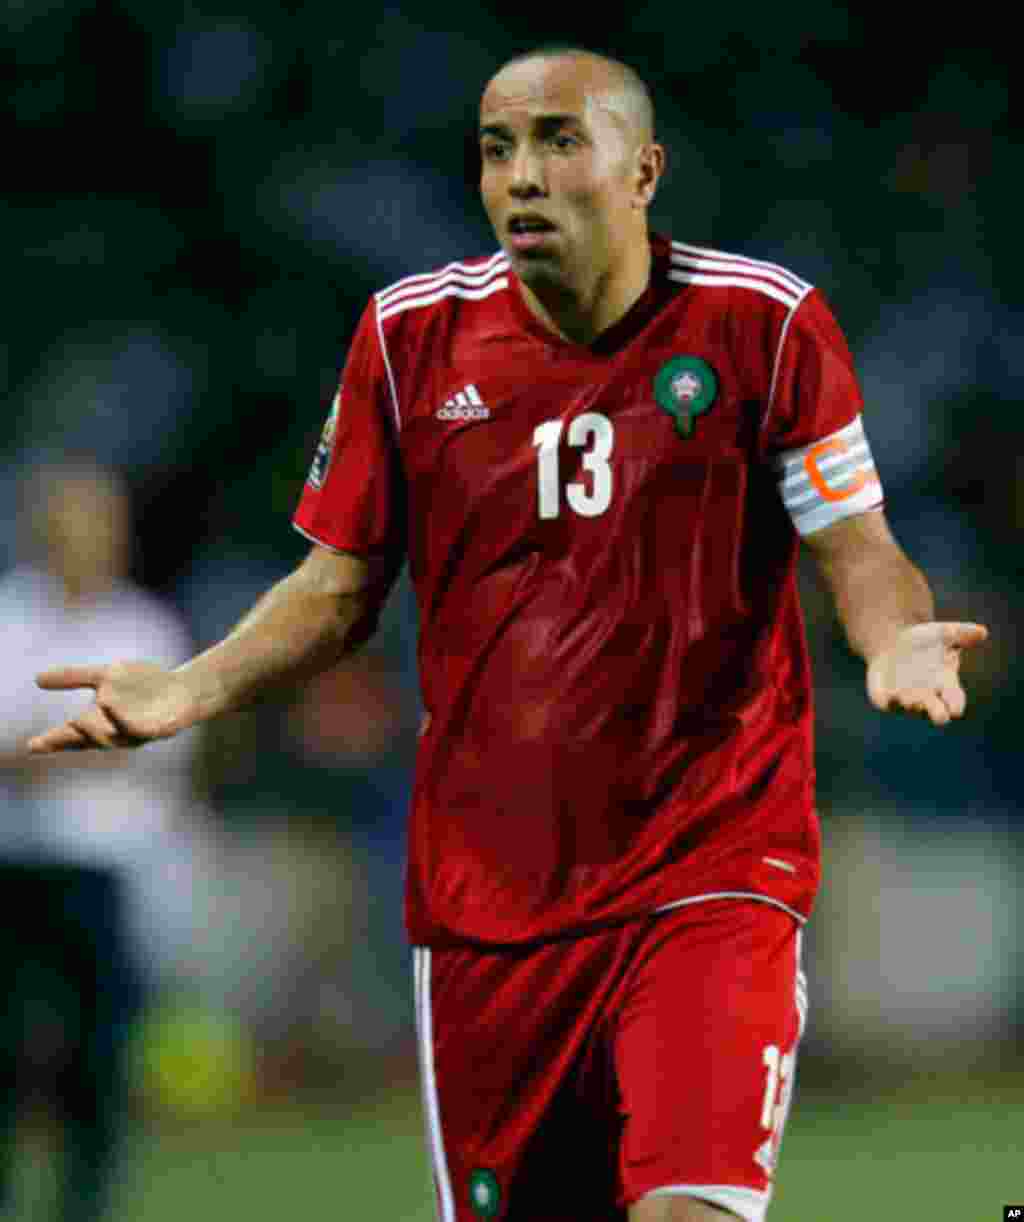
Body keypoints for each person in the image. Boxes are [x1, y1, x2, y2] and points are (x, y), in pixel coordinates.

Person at [27, 48, 988, 1222]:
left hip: (710, 869)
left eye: (557, 142)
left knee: (690, 1208)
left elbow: (859, 547)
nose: (522, 175)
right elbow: (336, 592)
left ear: (643, 171)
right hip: (492, 910)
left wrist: (890, 638)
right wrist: (192, 687)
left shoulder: (762, 323)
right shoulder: (408, 337)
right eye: (497, 148)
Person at [1, 460, 198, 1220]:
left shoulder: (143, 629)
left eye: (95, 520)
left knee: (95, 1056)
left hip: (106, 872)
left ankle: (86, 1204)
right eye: (66, 518)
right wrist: (86, 744)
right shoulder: (11, 615)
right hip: (14, 865)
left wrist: (39, 750)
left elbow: (163, 743)